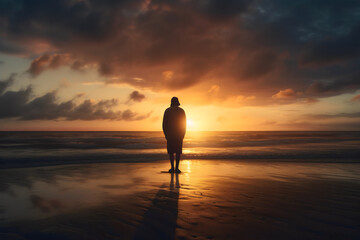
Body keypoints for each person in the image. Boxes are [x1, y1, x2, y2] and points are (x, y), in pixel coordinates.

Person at [162, 97, 186, 173]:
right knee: (178, 152)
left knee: (171, 152)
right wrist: (183, 134)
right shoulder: (181, 111)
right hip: (179, 134)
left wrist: (166, 134)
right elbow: (184, 124)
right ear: (177, 102)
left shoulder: (167, 110)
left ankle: (172, 168)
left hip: (170, 135)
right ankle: (177, 168)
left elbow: (164, 124)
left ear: (171, 102)